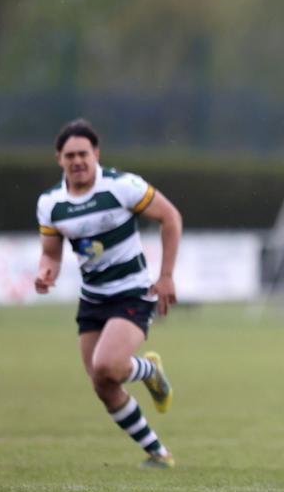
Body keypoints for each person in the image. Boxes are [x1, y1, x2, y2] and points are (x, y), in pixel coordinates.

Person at [35, 118, 181, 468]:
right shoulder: (51, 203)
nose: (77, 161)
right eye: (69, 155)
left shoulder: (122, 186)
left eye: (83, 153)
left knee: (108, 366)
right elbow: (51, 252)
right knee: (102, 383)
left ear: (96, 154)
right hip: (93, 298)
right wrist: (46, 271)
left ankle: (149, 372)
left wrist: (166, 276)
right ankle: (158, 452)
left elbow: (171, 218)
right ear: (59, 159)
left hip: (132, 291)